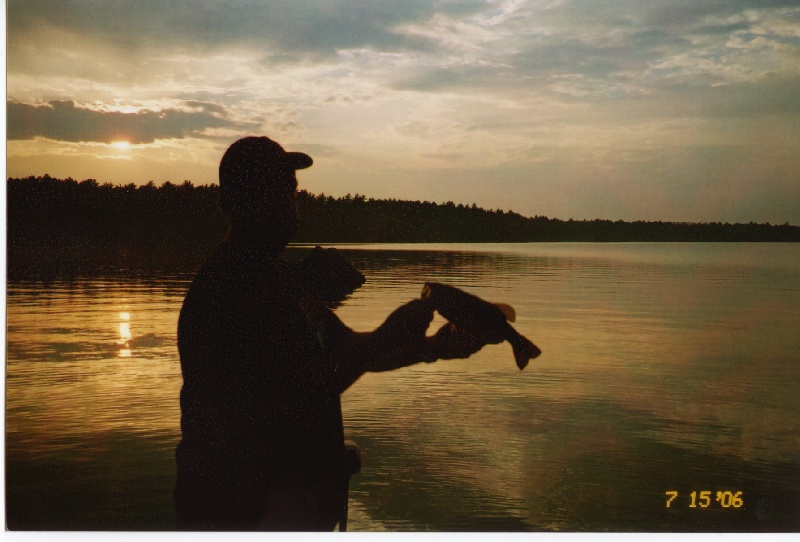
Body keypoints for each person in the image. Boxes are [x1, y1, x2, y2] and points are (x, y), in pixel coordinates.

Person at [174, 136, 495, 531]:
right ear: (238, 202)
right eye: (277, 189)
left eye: (290, 188)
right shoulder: (231, 286)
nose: (292, 199)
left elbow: (347, 349)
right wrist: (387, 335)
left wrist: (433, 348)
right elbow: (296, 391)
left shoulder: (281, 281)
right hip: (245, 510)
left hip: (287, 503)